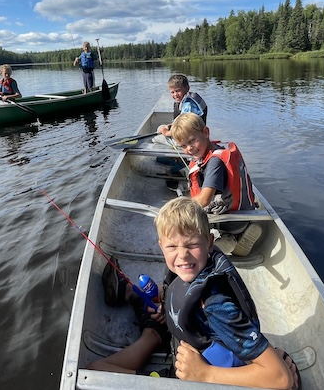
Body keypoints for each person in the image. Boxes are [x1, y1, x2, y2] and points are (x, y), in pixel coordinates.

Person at [89, 198, 299, 389]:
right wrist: (167, 310)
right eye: (172, 246)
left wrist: (204, 374)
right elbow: (182, 294)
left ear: (209, 242)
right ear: (161, 246)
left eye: (192, 244)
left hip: (197, 377)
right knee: (96, 369)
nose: (182, 254)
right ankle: (152, 333)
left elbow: (280, 378)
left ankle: (151, 335)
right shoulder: (187, 270)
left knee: (95, 372)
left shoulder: (217, 306)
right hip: (187, 350)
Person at [170, 112, 262, 257]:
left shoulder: (214, 163)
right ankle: (238, 235)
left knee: (186, 230)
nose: (189, 149)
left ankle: (225, 240)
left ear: (206, 132)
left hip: (230, 222)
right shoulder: (214, 149)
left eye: (192, 141)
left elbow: (204, 200)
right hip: (242, 215)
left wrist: (179, 208)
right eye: (183, 146)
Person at [153, 74, 207, 145]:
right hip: (193, 135)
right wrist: (170, 125)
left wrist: (166, 133)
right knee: (161, 127)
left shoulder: (188, 105)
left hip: (189, 140)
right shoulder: (188, 100)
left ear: (187, 88)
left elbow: (184, 130)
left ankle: (172, 154)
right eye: (172, 92)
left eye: (178, 91)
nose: (175, 94)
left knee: (155, 138)